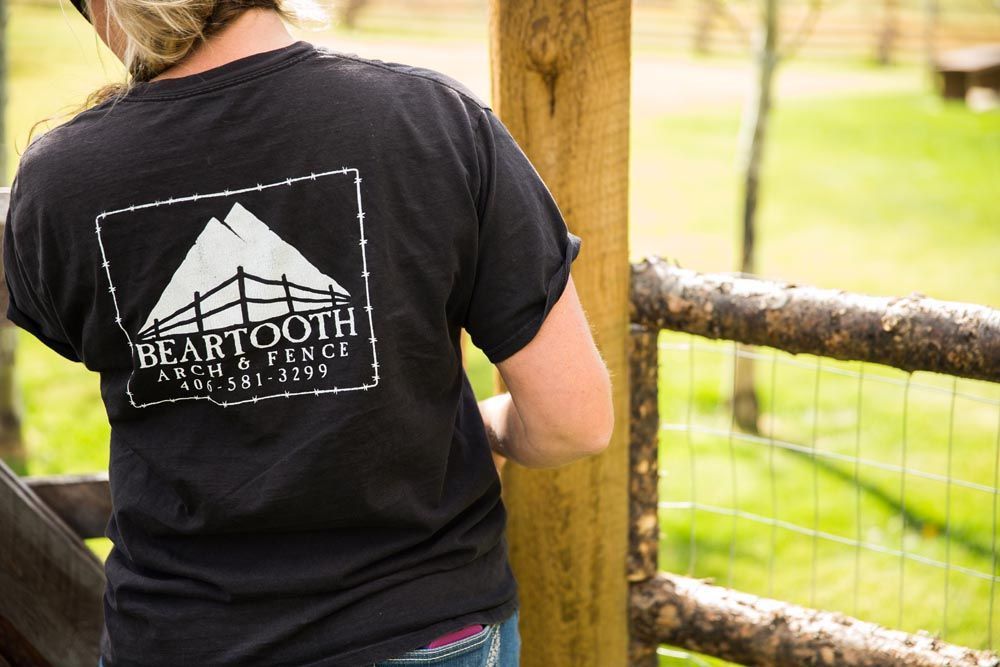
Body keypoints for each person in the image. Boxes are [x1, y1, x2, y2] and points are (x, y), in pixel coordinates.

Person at [3, 0, 615, 665]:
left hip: (180, 640)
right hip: (423, 631)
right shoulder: (434, 120)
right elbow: (572, 421)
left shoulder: (63, 180)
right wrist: (489, 430)